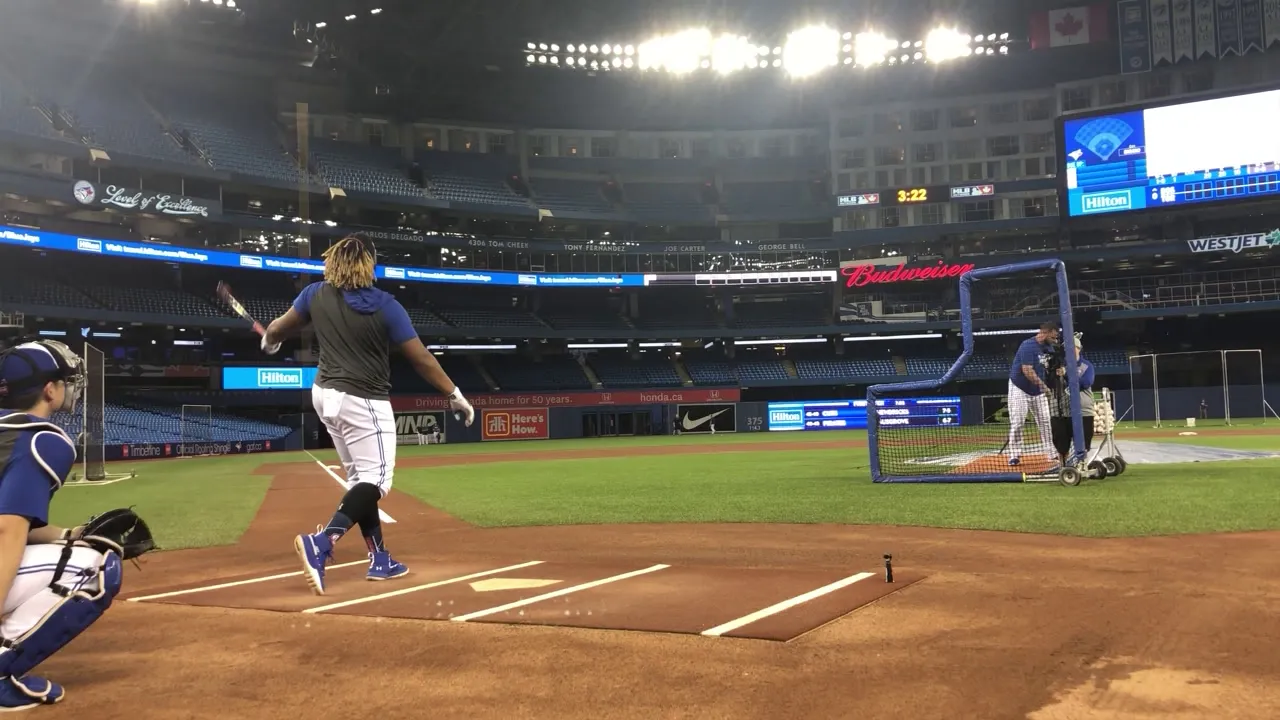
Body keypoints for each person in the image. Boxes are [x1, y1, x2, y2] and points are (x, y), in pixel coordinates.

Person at [261, 234, 476, 595]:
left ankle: (380, 558)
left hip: (324, 395)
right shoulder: (387, 305)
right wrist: (454, 394)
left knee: (361, 480)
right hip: (363, 399)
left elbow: (276, 330)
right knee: (377, 482)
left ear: (332, 263)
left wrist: (269, 341)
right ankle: (323, 542)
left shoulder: (314, 294)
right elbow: (420, 357)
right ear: (370, 266)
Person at [0, 340, 122, 710]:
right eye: (65, 381)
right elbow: (8, 529)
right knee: (97, 567)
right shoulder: (44, 440)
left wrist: (71, 535)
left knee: (77, 549)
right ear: (49, 390)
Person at [1006, 322, 1059, 469]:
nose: (1055, 339)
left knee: (1046, 422)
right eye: (1054, 336)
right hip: (1020, 388)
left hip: (1038, 390)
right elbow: (1027, 370)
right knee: (1017, 422)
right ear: (1047, 332)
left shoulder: (1048, 348)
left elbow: (1051, 367)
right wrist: (1045, 387)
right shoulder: (1028, 345)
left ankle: (1051, 452)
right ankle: (1014, 454)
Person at [1048, 335, 1096, 463]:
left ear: (1079, 349)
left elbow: (1085, 383)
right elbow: (1049, 384)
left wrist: (1067, 373)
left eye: (1073, 348)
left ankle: (1082, 466)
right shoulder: (1057, 365)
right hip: (1060, 411)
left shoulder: (1086, 366)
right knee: (1061, 445)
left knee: (1083, 445)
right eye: (1067, 348)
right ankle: (1063, 468)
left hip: (1082, 411)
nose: (1070, 350)